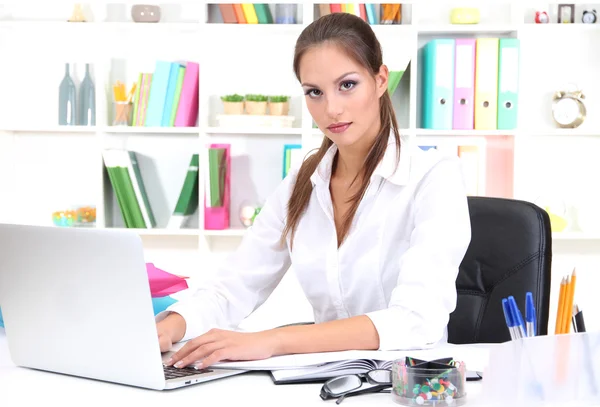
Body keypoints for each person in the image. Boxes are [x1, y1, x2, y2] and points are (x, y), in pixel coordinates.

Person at [158, 12, 471, 370]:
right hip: (324, 382)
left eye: (348, 85)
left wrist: (273, 340)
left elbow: (416, 320)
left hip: (410, 384)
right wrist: (171, 325)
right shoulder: (301, 184)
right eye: (314, 93)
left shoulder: (434, 177)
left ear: (380, 79)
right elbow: (234, 288)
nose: (331, 108)